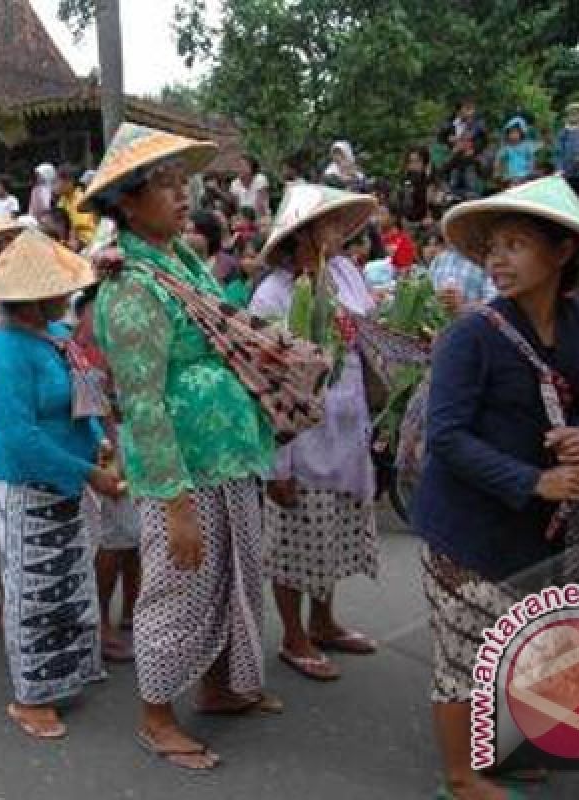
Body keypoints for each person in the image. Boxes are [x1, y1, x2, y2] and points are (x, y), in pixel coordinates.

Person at [83, 123, 283, 770]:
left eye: (180, 181)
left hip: (223, 459)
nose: (180, 194)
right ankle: (155, 717)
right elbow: (141, 403)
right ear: (128, 205)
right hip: (182, 472)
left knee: (232, 576)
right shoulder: (130, 287)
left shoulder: (182, 261)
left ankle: (220, 687)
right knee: (178, 588)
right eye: (164, 184)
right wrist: (172, 502)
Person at [419, 175, 579, 799]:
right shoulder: (470, 335)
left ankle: (496, 753)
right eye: (492, 246)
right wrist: (535, 480)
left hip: (532, 531)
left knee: (513, 643)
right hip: (464, 527)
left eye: (516, 244)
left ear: (562, 254)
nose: (497, 260)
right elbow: (446, 438)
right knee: (462, 651)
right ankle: (461, 776)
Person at [0, 229, 123, 739]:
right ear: (37, 296)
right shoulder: (3, 350)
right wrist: (88, 473)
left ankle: (69, 670)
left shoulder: (52, 337)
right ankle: (31, 696)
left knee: (69, 576)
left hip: (66, 474)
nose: (68, 294)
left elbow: (82, 400)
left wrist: (98, 442)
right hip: (22, 479)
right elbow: (18, 436)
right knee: (33, 585)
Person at [249, 184, 380, 681]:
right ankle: (294, 634)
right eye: (329, 225)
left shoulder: (345, 272)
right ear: (302, 234)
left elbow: (367, 334)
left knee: (333, 533)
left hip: (346, 427)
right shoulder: (273, 294)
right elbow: (265, 382)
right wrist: (274, 464)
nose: (340, 233)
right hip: (299, 440)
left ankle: (323, 622)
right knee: (295, 540)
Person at [73, 285, 140, 663]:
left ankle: (132, 612)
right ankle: (100, 622)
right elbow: (94, 413)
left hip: (135, 441)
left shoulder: (122, 339)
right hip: (106, 448)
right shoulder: (79, 353)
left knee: (136, 537)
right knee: (113, 540)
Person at [429, 242, 498, 314]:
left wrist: (462, 306)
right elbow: (428, 300)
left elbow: (494, 303)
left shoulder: (484, 259)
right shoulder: (438, 261)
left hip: (476, 323)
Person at [55, 165, 97, 248]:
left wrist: (73, 242)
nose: (55, 184)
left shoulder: (80, 198)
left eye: (57, 181)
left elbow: (84, 230)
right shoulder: (63, 199)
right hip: (72, 240)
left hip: (87, 243)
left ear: (69, 182)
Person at [229, 155, 271, 227]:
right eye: (238, 166)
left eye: (243, 166)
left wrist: (254, 223)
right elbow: (238, 207)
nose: (240, 169)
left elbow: (261, 206)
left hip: (261, 217)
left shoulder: (260, 179)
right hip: (244, 219)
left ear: (252, 168)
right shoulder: (234, 184)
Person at [495, 116, 536, 187]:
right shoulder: (506, 148)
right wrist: (498, 171)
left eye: (516, 132)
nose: (514, 135)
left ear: (521, 133)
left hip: (526, 174)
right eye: (511, 133)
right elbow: (498, 159)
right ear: (507, 134)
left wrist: (530, 170)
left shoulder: (526, 146)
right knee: (513, 186)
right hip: (512, 176)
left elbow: (531, 159)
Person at [379, 203, 417, 274]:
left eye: (382, 214)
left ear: (394, 218)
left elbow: (405, 268)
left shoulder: (404, 240)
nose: (378, 218)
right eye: (377, 214)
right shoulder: (376, 238)